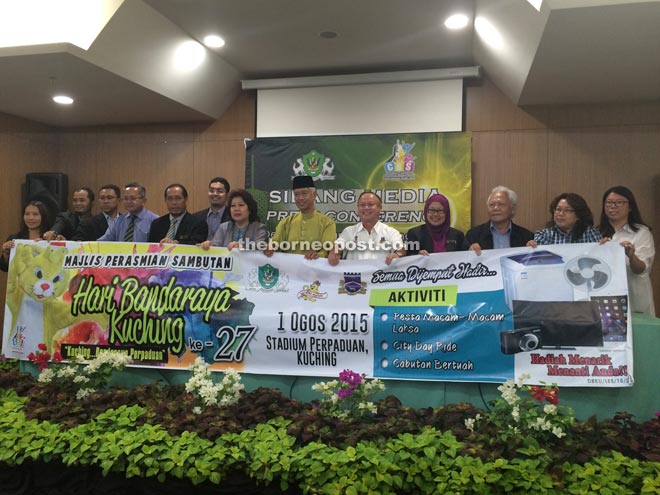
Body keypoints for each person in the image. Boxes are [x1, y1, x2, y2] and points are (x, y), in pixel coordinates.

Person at [598, 186, 655, 316]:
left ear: (630, 207)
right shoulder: (597, 233)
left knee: (639, 335)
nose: (613, 206)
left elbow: (641, 269)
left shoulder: (641, 233)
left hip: (634, 297)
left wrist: (631, 256)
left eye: (619, 202)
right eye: (609, 202)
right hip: (605, 298)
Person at [264, 175, 336, 259]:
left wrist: (317, 255)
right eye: (296, 194)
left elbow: (327, 250)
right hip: (289, 270)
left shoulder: (327, 223)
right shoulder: (286, 222)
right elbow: (275, 243)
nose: (300, 198)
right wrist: (270, 248)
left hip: (314, 270)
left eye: (304, 193)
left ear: (314, 195)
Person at [328, 191, 404, 265]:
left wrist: (397, 255)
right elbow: (338, 245)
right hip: (354, 277)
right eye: (362, 205)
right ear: (358, 208)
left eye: (371, 204)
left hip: (380, 276)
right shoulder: (349, 231)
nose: (366, 208)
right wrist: (334, 251)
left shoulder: (390, 232)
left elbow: (400, 249)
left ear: (380, 208)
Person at [464, 186, 534, 255]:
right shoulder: (473, 235)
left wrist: (532, 250)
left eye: (501, 204)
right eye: (491, 204)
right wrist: (469, 253)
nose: (495, 208)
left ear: (512, 208)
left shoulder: (526, 236)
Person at [199, 188, 267, 250]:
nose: (236, 209)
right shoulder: (224, 227)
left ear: (249, 209)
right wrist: (208, 245)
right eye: (233, 206)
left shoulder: (259, 228)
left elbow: (260, 246)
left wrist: (241, 246)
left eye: (241, 205)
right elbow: (215, 246)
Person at [529, 193, 602, 246]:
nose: (560, 214)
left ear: (578, 216)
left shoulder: (590, 233)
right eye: (558, 209)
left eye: (567, 210)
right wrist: (530, 250)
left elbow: (601, 257)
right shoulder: (543, 235)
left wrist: (607, 246)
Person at [1, 201, 52, 271]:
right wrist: (6, 254)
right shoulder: (15, 238)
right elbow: (5, 268)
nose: (30, 218)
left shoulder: (51, 238)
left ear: (43, 216)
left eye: (35, 214)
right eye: (27, 214)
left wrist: (45, 245)